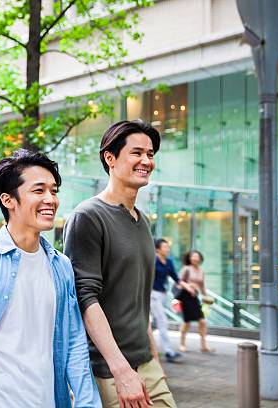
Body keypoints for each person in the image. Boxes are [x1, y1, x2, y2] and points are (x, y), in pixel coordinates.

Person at [0, 149, 101, 408]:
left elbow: (73, 342)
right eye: (39, 191)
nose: (51, 199)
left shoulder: (61, 266)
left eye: (54, 190)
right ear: (8, 200)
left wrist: (88, 402)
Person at [64, 120, 176, 408]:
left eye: (150, 154)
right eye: (136, 152)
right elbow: (84, 297)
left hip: (146, 365)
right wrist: (121, 370)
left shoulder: (142, 220)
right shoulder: (88, 216)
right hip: (109, 371)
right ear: (110, 158)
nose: (146, 161)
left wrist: (154, 359)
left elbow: (139, 300)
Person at [151, 239, 192, 363]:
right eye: (165, 247)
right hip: (152, 294)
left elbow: (176, 278)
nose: (167, 249)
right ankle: (168, 351)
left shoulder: (168, 262)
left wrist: (188, 287)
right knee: (162, 321)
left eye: (168, 247)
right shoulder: (153, 261)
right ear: (157, 249)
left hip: (163, 295)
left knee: (153, 324)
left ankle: (145, 344)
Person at [177, 250, 214, 353]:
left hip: (194, 298)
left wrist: (206, 297)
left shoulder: (201, 271)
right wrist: (189, 286)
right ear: (189, 258)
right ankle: (182, 344)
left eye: (197, 257)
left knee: (202, 321)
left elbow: (202, 286)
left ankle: (204, 345)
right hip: (185, 296)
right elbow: (178, 283)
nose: (195, 259)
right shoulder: (186, 269)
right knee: (187, 322)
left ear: (200, 259)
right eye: (193, 257)